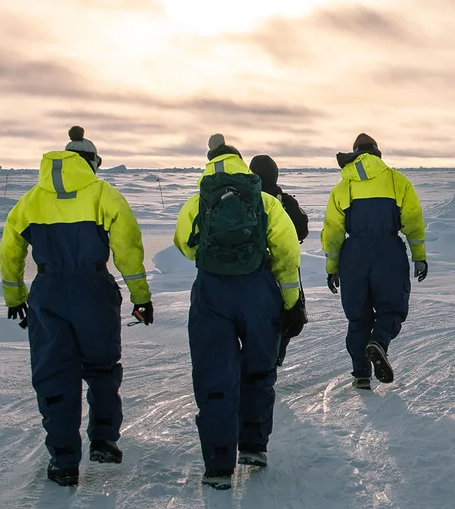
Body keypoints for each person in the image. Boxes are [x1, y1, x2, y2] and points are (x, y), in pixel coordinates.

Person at [0, 126, 153, 487]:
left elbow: (9, 251)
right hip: (94, 291)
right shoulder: (105, 196)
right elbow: (128, 249)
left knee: (54, 374)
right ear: (93, 163)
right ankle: (104, 441)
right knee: (101, 368)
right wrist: (140, 296)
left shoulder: (30, 201)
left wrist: (15, 296)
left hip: (48, 293)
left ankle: (64, 461)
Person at [174, 134, 305, 490]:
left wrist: (215, 258)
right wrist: (290, 301)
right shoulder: (264, 200)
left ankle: (218, 466)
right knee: (259, 369)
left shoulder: (197, 202)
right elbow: (287, 254)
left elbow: (185, 245)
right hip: (257, 289)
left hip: (212, 292)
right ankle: (253, 447)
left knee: (214, 374)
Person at [322, 133, 427, 390]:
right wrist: (419, 256)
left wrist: (332, 268)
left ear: (355, 153)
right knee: (391, 308)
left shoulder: (342, 186)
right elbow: (413, 221)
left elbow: (333, 231)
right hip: (388, 251)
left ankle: (361, 374)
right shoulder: (396, 181)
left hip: (353, 255)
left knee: (358, 317)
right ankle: (379, 342)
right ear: (378, 154)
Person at [250, 154, 309, 366]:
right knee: (291, 316)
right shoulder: (285, 201)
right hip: (282, 269)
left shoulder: (242, 198)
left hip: (249, 271)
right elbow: (302, 230)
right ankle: (273, 356)